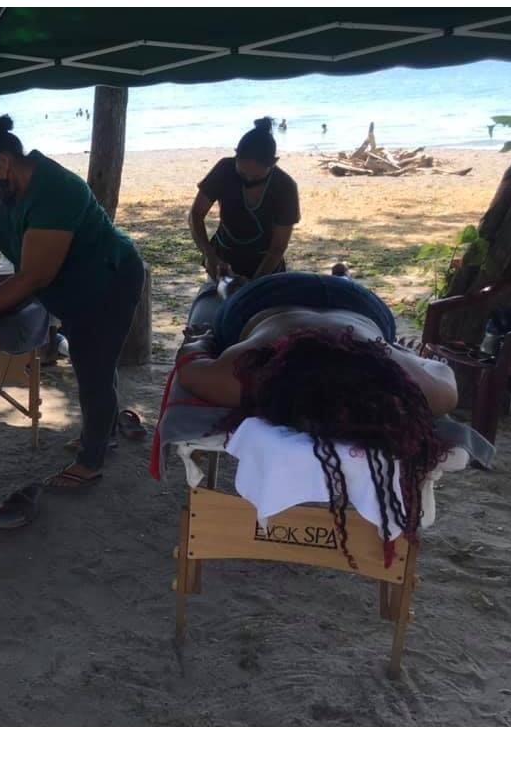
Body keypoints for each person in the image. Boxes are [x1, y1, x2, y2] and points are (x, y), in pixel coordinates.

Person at [174, 271, 457, 564]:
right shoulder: (248, 371)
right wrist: (200, 341)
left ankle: (335, 279)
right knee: (231, 290)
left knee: (231, 289)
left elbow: (189, 361)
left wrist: (201, 338)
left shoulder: (248, 372)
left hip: (318, 301)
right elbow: (191, 362)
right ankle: (338, 278)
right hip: (286, 301)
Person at [0, 115, 145, 491]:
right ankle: (105, 431)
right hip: (70, 284)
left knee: (93, 367)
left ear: (4, 161)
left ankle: (92, 459)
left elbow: (32, 278)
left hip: (109, 279)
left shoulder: (55, 189)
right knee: (94, 361)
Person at [189, 117, 300, 284]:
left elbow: (277, 248)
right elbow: (195, 215)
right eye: (242, 174)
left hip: (266, 265)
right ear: (236, 156)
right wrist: (209, 256)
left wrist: (253, 285)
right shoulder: (224, 169)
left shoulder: (285, 186)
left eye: (256, 177)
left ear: (273, 163)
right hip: (223, 260)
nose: (248, 179)